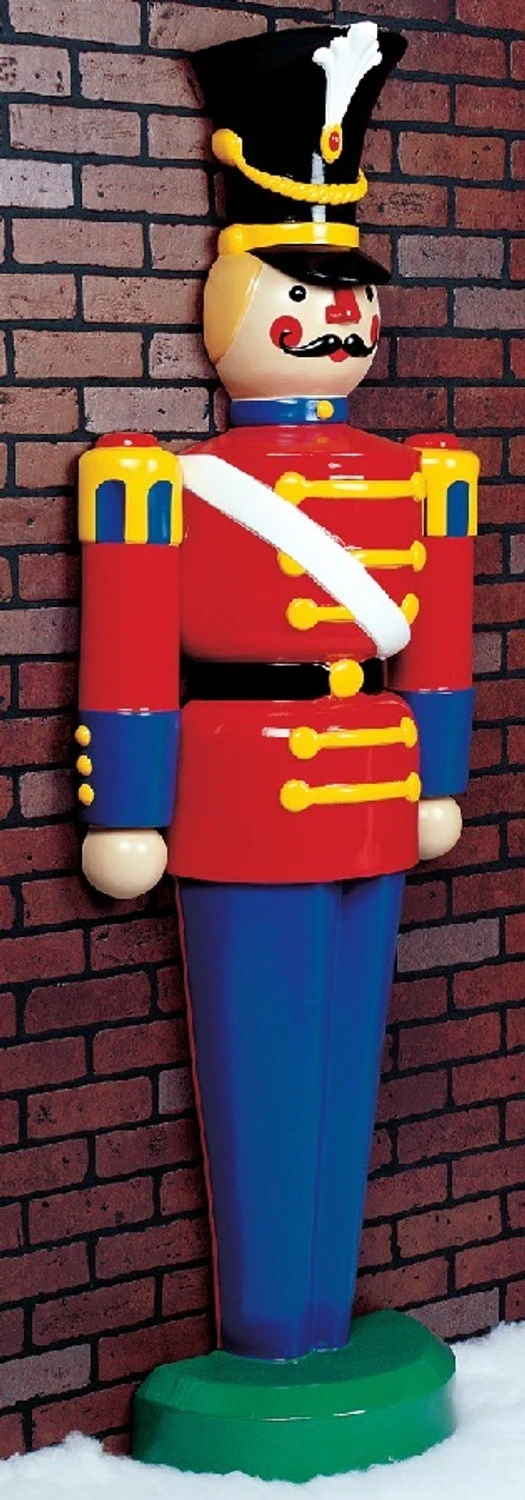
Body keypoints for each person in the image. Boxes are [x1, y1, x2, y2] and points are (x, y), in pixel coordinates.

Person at [77, 21, 477, 1479]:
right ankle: (269, 1333)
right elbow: (130, 655)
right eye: (302, 294)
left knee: (350, 1056)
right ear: (234, 299)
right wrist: (128, 803)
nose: (333, 321)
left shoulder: (422, 476)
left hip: (374, 786)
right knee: (259, 1070)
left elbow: (440, 645)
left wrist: (441, 775)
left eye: (350, 296)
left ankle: (323, 1314)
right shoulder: (160, 480)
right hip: (242, 789)